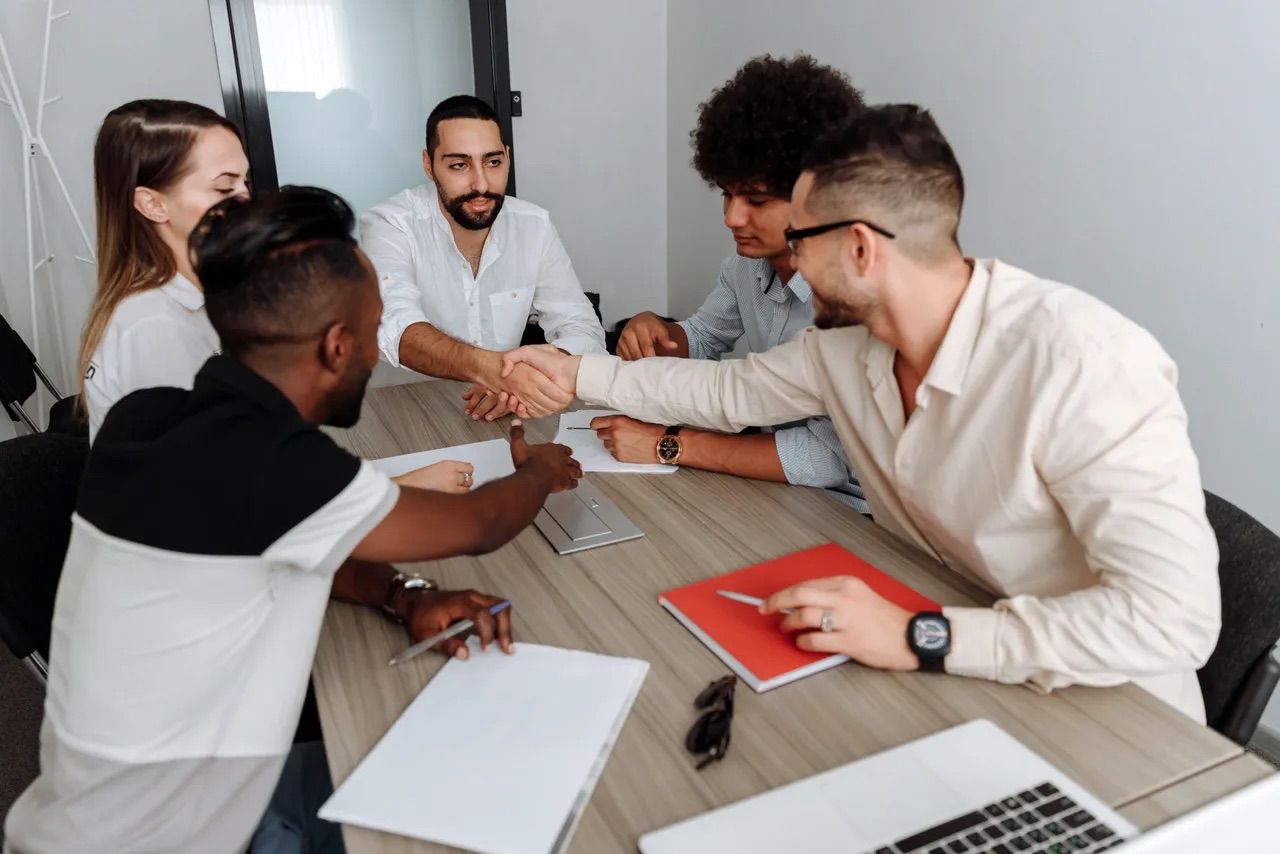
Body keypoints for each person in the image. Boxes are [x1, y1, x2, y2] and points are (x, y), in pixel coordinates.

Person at [500, 105, 1221, 721]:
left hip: (1114, 710)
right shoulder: (849, 350)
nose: (788, 257)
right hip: (956, 665)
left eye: (799, 238)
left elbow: (1173, 622)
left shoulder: (1087, 363)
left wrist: (921, 636)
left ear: (860, 248)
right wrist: (575, 373)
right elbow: (726, 393)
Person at [3, 187, 582, 853]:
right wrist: (539, 467)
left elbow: (279, 545)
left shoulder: (153, 414)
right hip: (187, 834)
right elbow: (481, 523)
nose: (375, 356)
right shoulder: (273, 465)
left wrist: (403, 594)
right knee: (507, 797)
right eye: (373, 337)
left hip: (101, 809)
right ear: (338, 348)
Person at [78, 100, 470, 491]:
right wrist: (397, 490)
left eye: (243, 183)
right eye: (223, 186)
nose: (245, 201)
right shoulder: (153, 326)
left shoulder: (208, 295)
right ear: (152, 204)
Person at [604, 55, 868, 513]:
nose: (731, 217)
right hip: (772, 486)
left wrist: (666, 444)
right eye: (727, 193)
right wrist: (658, 332)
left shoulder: (854, 297)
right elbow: (705, 337)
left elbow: (823, 460)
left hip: (850, 513)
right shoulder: (745, 266)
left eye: (757, 200)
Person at [361, 94, 606, 423]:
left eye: (493, 162)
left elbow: (582, 327)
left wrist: (530, 375)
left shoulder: (534, 225)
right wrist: (493, 371)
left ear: (507, 157)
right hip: (401, 416)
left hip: (499, 416)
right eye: (459, 165)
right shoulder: (390, 224)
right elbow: (394, 324)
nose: (481, 184)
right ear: (428, 164)